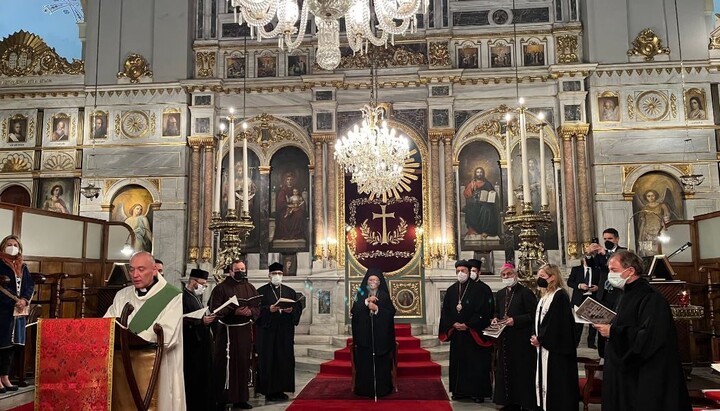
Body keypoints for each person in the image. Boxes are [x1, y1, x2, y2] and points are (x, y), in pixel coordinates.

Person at [593, 251, 691, 411]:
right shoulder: (625, 294)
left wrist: (614, 332)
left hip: (644, 375)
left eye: (614, 270)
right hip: (625, 373)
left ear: (630, 271)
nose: (610, 275)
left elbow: (650, 337)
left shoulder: (651, 297)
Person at [104, 251, 185, 411]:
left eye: (141, 269)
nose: (135, 274)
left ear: (154, 270)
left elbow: (167, 335)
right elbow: (107, 325)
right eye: (132, 270)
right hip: (122, 365)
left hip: (157, 366)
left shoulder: (172, 296)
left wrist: (133, 337)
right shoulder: (122, 295)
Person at [439, 260, 494, 403]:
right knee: (459, 363)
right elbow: (446, 311)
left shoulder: (480, 289)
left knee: (475, 363)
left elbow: (483, 311)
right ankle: (459, 391)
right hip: (457, 334)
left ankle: (477, 392)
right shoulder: (452, 290)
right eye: (458, 271)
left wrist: (468, 324)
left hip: (473, 334)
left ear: (469, 272)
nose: (460, 273)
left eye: (463, 270)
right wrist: (453, 324)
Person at [209, 259, 260, 410]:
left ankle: (241, 399)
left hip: (244, 331)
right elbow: (215, 309)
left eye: (243, 269)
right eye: (237, 269)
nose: (241, 272)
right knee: (225, 365)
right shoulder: (220, 288)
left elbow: (257, 307)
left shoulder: (250, 287)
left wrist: (250, 311)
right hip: (227, 333)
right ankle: (222, 399)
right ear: (231, 272)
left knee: (243, 364)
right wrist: (233, 310)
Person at [530, 263, 578, 411]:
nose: (539, 279)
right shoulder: (546, 295)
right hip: (543, 346)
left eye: (542, 277)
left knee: (556, 382)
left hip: (556, 349)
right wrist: (534, 334)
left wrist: (542, 339)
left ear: (552, 277)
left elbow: (557, 324)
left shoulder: (560, 295)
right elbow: (538, 320)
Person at [492, 262, 537, 411]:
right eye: (503, 275)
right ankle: (507, 400)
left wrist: (515, 320)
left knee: (520, 371)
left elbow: (533, 315)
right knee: (506, 370)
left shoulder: (526, 293)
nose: (506, 277)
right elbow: (498, 312)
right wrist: (495, 318)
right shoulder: (500, 294)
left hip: (521, 338)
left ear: (515, 275)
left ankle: (522, 401)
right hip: (504, 339)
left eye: (509, 274)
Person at [256, 262, 303, 401]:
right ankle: (268, 391)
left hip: (284, 332)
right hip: (267, 333)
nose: (278, 276)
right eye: (275, 274)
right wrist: (268, 310)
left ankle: (282, 389)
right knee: (269, 359)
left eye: (280, 274)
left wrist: (292, 310)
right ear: (269, 275)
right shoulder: (261, 291)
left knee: (284, 359)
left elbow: (298, 307)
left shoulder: (289, 291)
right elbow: (256, 311)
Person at [351, 268, 396, 398]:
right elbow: (354, 311)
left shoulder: (384, 295)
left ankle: (382, 388)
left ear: (380, 282)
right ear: (367, 281)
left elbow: (391, 313)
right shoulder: (361, 294)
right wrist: (366, 303)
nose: (373, 282)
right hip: (364, 337)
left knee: (381, 364)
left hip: (380, 338)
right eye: (370, 279)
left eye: (375, 280)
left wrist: (377, 309)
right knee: (365, 364)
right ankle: (364, 389)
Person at [0, 235, 33, 393]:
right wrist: (14, 301)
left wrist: (24, 300)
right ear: (3, 247)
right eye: (8, 244)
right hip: (3, 309)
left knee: (11, 346)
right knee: (1, 344)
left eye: (15, 245)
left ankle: (5, 376)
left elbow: (29, 285)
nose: (12, 247)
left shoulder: (23, 266)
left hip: (18, 312)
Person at [183, 268, 215, 411]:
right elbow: (183, 320)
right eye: (203, 284)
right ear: (193, 282)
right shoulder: (183, 297)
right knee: (194, 378)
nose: (204, 287)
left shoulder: (194, 297)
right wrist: (201, 322)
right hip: (191, 345)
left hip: (201, 343)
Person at [567, 258, 600, 348]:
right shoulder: (576, 269)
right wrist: (579, 285)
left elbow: (600, 283)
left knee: (592, 322)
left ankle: (591, 343)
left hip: (592, 297)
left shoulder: (597, 270)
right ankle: (576, 342)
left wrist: (597, 287)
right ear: (584, 260)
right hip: (579, 298)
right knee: (578, 323)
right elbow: (569, 282)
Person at [463, 167, 499, 237]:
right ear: (475, 173)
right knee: (471, 207)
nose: (479, 174)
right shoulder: (472, 183)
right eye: (478, 172)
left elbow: (493, 194)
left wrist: (491, 193)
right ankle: (473, 230)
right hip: (475, 203)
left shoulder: (487, 184)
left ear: (483, 173)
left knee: (487, 209)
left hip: (486, 203)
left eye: (481, 172)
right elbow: (467, 194)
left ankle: (486, 230)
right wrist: (471, 187)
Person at [274, 172, 307, 240]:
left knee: (299, 215)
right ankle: (285, 235)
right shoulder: (282, 191)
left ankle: (296, 234)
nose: (289, 181)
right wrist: (288, 205)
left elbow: (301, 200)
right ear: (285, 181)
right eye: (288, 179)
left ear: (293, 180)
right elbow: (280, 203)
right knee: (283, 217)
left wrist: (298, 205)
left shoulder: (297, 189)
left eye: (291, 179)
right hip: (285, 209)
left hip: (296, 208)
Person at [637, 189, 672, 255]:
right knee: (648, 252)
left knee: (661, 251)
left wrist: (664, 227)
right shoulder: (645, 207)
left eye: (652, 195)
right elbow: (642, 220)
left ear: (655, 196)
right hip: (647, 232)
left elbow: (666, 217)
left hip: (659, 230)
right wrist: (642, 234)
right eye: (648, 196)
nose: (651, 198)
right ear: (646, 197)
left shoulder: (662, 206)